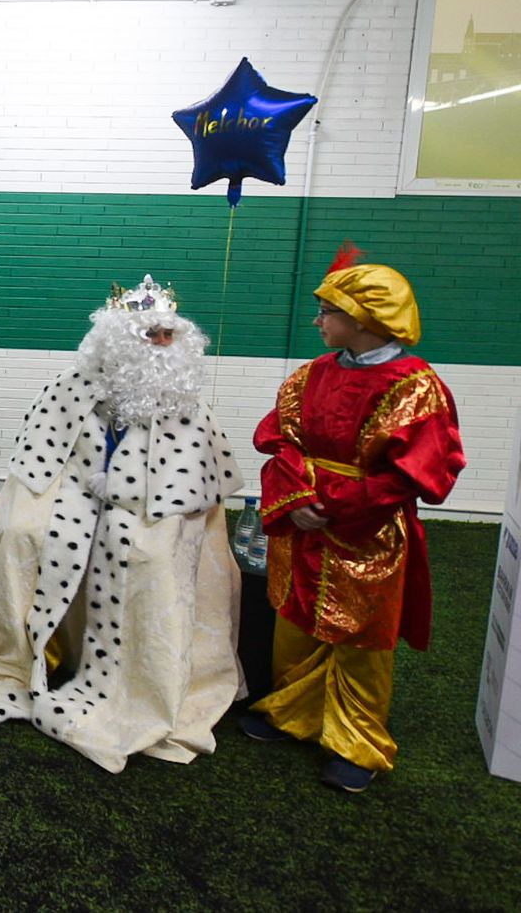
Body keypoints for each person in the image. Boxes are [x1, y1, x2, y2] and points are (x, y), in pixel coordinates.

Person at [0, 275, 245, 773]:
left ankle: (137, 683)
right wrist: (79, 491)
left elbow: (188, 483)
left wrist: (121, 493)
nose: (164, 345)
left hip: (153, 508)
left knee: (146, 554)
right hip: (71, 489)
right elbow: (43, 456)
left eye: (170, 335)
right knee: (19, 532)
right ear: (118, 340)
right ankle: (16, 660)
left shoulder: (184, 400)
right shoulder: (72, 385)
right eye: (152, 335)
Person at [241, 247, 464, 793]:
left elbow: (420, 470)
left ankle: (356, 741)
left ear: (363, 318)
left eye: (327, 312)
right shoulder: (312, 374)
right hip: (305, 527)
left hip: (368, 533)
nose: (317, 321)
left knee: (362, 637)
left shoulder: (414, 384)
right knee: (294, 619)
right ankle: (291, 711)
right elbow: (279, 439)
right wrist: (296, 498)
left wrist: (335, 507)